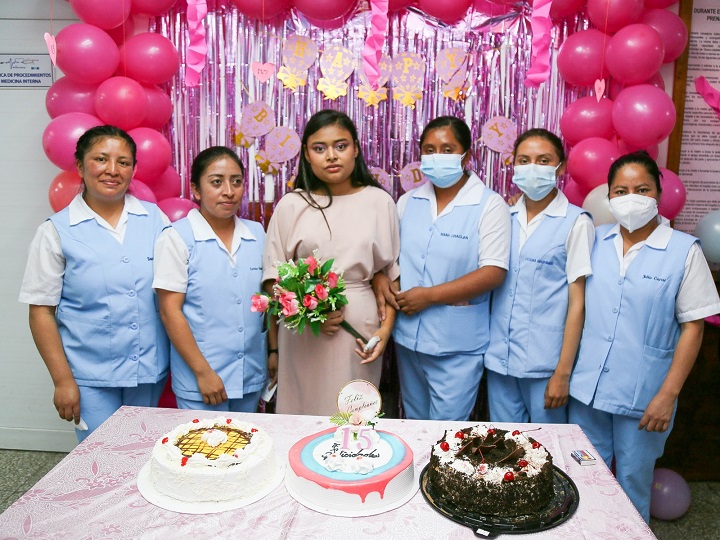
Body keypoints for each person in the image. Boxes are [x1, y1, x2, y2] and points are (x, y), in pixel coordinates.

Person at [568, 150, 720, 522]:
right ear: (608, 197)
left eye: (642, 189)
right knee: (584, 477)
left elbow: (693, 326)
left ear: (658, 194)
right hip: (588, 390)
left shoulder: (683, 251)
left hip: (644, 397)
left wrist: (668, 395)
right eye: (620, 191)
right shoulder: (595, 240)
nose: (631, 198)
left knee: (632, 481)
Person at [19, 125, 170, 441]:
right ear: (79, 165)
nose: (112, 170)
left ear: (133, 170)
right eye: (101, 159)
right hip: (88, 376)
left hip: (147, 370)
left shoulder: (156, 219)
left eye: (123, 162)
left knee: (142, 454)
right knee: (101, 458)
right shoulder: (56, 231)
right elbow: (41, 312)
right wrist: (62, 381)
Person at [262, 109, 400, 416]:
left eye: (341, 146)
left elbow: (390, 276)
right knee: (301, 414)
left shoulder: (380, 202)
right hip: (303, 331)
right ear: (307, 155)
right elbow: (273, 279)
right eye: (319, 148)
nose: (331, 156)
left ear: (356, 149)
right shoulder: (291, 205)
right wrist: (311, 314)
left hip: (359, 325)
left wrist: (385, 330)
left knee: (352, 415)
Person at [375, 115, 511, 421]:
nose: (438, 157)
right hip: (408, 339)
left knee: (446, 433)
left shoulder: (489, 205)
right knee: (416, 426)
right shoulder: (408, 202)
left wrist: (429, 296)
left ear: (467, 155)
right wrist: (382, 279)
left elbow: (494, 271)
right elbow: (390, 261)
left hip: (457, 344)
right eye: (430, 150)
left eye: (448, 150)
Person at [484, 128, 594, 424]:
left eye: (544, 160)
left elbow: (578, 303)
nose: (533, 167)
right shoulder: (502, 217)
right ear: (514, 165)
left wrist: (563, 373)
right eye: (524, 160)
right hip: (500, 361)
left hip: (546, 366)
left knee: (547, 447)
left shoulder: (576, 222)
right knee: (503, 445)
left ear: (561, 167)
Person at [153, 146, 271, 412]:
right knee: (205, 441)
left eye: (236, 182)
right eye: (216, 182)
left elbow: (268, 302)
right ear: (196, 189)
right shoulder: (177, 237)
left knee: (248, 439)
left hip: (250, 374)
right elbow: (169, 312)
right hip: (201, 381)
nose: (229, 191)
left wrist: (273, 352)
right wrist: (203, 372)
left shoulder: (257, 234)